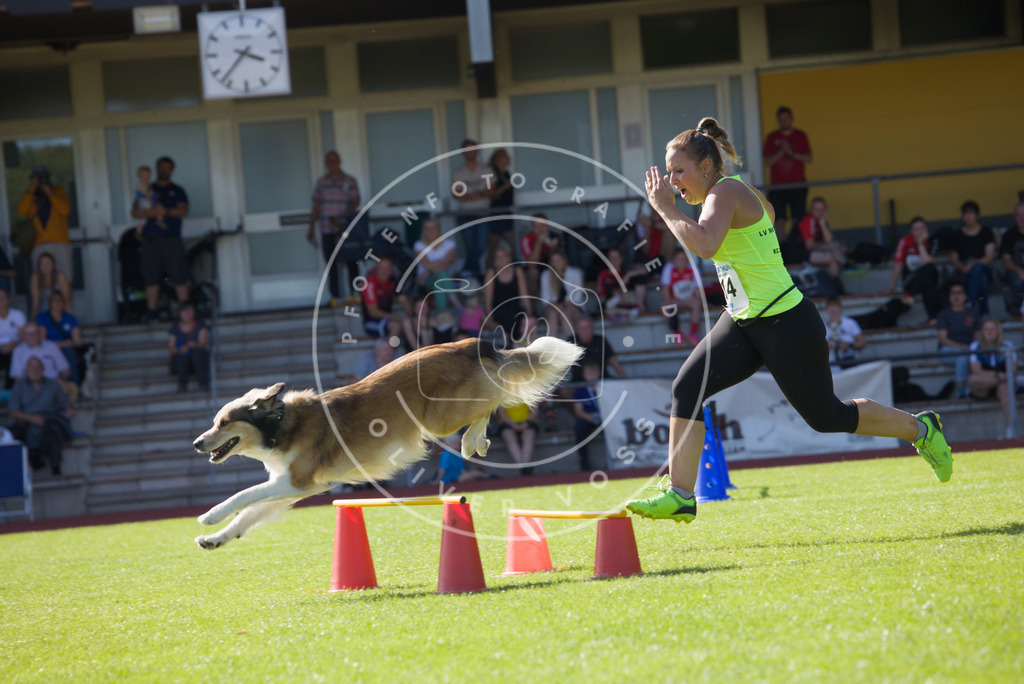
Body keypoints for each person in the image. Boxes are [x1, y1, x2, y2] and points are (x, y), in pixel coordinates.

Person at [626, 117, 953, 525]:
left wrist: (664, 208)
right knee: (687, 387)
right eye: (669, 172)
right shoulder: (733, 191)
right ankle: (680, 495)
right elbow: (768, 212)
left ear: (706, 168)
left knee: (827, 418)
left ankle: (922, 429)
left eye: (679, 171)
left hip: (787, 322)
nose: (672, 181)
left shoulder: (724, 192)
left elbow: (706, 246)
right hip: (745, 320)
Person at [130, 156, 190, 321]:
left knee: (179, 276)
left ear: (172, 170)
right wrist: (152, 213)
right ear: (156, 169)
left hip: (172, 239)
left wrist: (165, 212)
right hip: (151, 240)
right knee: (151, 276)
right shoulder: (147, 189)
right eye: (162, 167)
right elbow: (134, 212)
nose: (165, 171)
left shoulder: (178, 190)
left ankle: (184, 312)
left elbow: (184, 211)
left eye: (168, 168)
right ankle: (152, 311)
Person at [307, 151, 362, 308]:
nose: (332, 164)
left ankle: (354, 294)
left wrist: (344, 216)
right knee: (331, 263)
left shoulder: (349, 180)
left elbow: (356, 200)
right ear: (326, 164)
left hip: (345, 229)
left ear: (339, 162)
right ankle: (335, 297)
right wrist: (311, 227)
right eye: (329, 161)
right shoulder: (321, 182)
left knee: (352, 261)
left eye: (334, 161)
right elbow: (316, 206)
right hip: (326, 229)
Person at [9, 357, 75, 475]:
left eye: (38, 367)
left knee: (53, 432)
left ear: (43, 369)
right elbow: (13, 411)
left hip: (47, 419)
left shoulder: (52, 385)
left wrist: (69, 409)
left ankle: (55, 468)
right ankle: (23, 467)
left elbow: (65, 402)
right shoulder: (19, 386)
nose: (35, 370)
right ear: (26, 370)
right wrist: (31, 418)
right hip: (26, 420)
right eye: (31, 367)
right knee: (12, 434)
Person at [16, 164, 74, 282]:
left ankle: (65, 300)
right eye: (38, 178)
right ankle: (42, 301)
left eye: (43, 177)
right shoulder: (30, 194)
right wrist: (32, 188)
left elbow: (65, 210)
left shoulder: (58, 190)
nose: (41, 180)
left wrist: (50, 193)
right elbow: (21, 210)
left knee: (64, 278)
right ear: (33, 179)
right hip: (38, 243)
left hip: (60, 242)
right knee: (41, 280)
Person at [762, 106, 812, 235]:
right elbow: (767, 162)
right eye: (781, 119)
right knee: (779, 221)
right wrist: (782, 151)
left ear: (792, 119)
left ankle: (797, 248)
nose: (784, 121)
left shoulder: (800, 135)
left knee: (798, 220)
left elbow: (809, 158)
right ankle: (782, 251)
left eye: (786, 118)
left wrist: (791, 153)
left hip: (798, 184)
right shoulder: (772, 137)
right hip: (777, 187)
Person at [883, 216, 941, 324]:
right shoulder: (904, 241)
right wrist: (891, 288)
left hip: (928, 279)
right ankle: (932, 317)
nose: (920, 232)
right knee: (927, 283)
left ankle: (910, 295)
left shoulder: (933, 240)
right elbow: (898, 266)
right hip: (911, 280)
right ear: (910, 231)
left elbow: (927, 262)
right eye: (916, 229)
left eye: (922, 228)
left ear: (927, 229)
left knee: (929, 271)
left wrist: (920, 243)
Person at [967, 319, 1016, 439]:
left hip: (1001, 387)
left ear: (998, 331)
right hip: (983, 387)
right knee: (972, 379)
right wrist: (999, 376)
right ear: (982, 332)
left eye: (992, 329)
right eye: (986, 329)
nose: (990, 332)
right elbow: (977, 371)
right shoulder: (975, 346)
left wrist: (1000, 378)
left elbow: (1013, 371)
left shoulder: (1007, 345)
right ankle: (999, 382)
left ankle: (1011, 429)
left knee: (1004, 387)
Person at [948, 200, 997, 317]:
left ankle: (970, 302)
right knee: (982, 279)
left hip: (984, 267)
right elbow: (954, 259)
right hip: (964, 271)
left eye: (971, 213)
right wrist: (963, 267)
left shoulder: (986, 232)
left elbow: (989, 256)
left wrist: (973, 264)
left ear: (977, 215)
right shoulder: (957, 234)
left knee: (978, 269)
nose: (968, 216)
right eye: (965, 213)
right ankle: (984, 311)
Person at [451, 139, 491, 279]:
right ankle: (476, 273)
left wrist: (479, 194)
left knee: (480, 246)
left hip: (483, 214)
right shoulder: (458, 172)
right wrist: (471, 196)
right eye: (467, 150)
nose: (470, 152)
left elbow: (491, 189)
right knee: (469, 247)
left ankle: (467, 270)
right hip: (465, 214)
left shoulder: (486, 169)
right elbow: (456, 193)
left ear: (477, 150)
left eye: (472, 149)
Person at [936, 284, 981, 399]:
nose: (956, 296)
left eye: (959, 292)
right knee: (963, 355)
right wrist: (962, 347)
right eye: (953, 293)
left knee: (964, 356)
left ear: (965, 296)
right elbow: (943, 339)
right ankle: (962, 389)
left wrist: (970, 348)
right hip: (947, 350)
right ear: (949, 297)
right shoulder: (943, 314)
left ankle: (965, 390)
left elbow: (977, 336)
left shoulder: (973, 313)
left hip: (968, 350)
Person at [361, 256, 416, 350]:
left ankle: (417, 350)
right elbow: (373, 312)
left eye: (387, 268)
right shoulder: (370, 284)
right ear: (376, 269)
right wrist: (396, 317)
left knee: (407, 321)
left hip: (387, 320)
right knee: (397, 326)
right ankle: (389, 357)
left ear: (391, 270)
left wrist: (413, 317)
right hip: (372, 322)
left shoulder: (392, 281)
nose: (384, 271)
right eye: (381, 268)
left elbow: (403, 298)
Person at [483, 245, 533, 347]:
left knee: (514, 310)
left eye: (503, 256)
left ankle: (507, 339)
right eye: (497, 257)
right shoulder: (491, 272)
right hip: (498, 310)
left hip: (515, 308)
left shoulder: (518, 271)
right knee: (509, 312)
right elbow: (488, 299)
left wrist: (530, 313)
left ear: (509, 257)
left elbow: (524, 295)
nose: (500, 259)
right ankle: (513, 343)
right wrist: (490, 318)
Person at [413, 218, 459, 313]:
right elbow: (428, 265)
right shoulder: (419, 245)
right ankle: (458, 306)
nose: (431, 231)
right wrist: (444, 261)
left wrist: (429, 270)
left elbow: (443, 266)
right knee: (441, 274)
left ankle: (442, 314)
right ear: (423, 231)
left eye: (433, 227)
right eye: (427, 228)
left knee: (439, 284)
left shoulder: (449, 244)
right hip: (427, 280)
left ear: (439, 228)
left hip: (437, 277)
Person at [660, 248, 704, 347]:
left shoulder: (693, 268)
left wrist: (698, 297)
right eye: (679, 259)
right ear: (674, 260)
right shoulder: (669, 268)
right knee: (664, 305)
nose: (681, 262)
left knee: (697, 303)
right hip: (674, 299)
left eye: (684, 259)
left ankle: (693, 333)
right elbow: (665, 287)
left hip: (688, 299)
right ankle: (677, 333)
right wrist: (669, 300)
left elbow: (698, 289)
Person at [36, 291, 82, 384]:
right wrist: (63, 344)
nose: (58, 302)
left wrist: (65, 344)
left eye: (60, 300)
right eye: (54, 300)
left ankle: (73, 386)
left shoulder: (70, 318)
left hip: (66, 348)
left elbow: (78, 341)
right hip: (48, 348)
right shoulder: (42, 317)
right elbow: (42, 340)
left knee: (69, 351)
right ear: (50, 303)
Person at [538, 250, 585, 340]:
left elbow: (578, 296)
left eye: (559, 260)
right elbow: (545, 298)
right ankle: (551, 347)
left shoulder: (575, 273)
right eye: (554, 261)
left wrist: (564, 306)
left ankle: (573, 346)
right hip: (553, 307)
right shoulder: (546, 275)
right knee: (553, 313)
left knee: (565, 313)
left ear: (564, 260)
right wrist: (557, 307)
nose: (557, 263)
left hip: (572, 306)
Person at [796, 197, 846, 280]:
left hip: (813, 252)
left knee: (834, 249)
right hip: (800, 254)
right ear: (811, 210)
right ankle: (845, 266)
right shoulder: (808, 220)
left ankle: (835, 285)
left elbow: (828, 240)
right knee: (832, 255)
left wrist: (822, 223)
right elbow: (809, 246)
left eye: (822, 209)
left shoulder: (820, 222)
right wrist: (825, 245)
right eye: (816, 209)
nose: (820, 212)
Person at [167, 301, 210, 393]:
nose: (186, 314)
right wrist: (181, 349)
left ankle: (203, 382)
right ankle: (182, 383)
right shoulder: (175, 327)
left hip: (197, 358)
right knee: (181, 357)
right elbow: (171, 348)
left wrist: (192, 345)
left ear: (194, 312)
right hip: (182, 359)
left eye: (189, 311)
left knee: (197, 352)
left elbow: (203, 343)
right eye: (183, 311)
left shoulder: (200, 325)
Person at [596, 247, 648, 319]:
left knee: (633, 294)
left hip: (630, 301)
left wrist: (629, 275)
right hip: (614, 304)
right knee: (609, 309)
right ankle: (629, 313)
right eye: (611, 258)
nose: (614, 260)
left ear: (621, 259)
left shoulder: (626, 271)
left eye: (616, 258)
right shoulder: (603, 275)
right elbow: (602, 298)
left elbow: (645, 271)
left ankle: (636, 310)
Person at [572, 315, 626, 381]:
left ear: (592, 328)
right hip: (578, 384)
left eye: (587, 327)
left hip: (603, 381)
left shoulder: (600, 340)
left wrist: (626, 381)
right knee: (564, 391)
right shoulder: (571, 342)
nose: (585, 331)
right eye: (581, 328)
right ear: (576, 330)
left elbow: (614, 363)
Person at [485, 148, 515, 268]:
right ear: (498, 159)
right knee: (493, 249)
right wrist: (505, 186)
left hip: (507, 214)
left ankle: (514, 273)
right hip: (496, 215)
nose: (508, 159)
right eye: (505, 156)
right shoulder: (491, 173)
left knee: (513, 247)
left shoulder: (507, 173)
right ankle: (488, 275)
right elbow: (490, 194)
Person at [519, 213, 560, 297]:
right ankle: (533, 308)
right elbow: (531, 265)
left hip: (551, 265)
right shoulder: (527, 238)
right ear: (532, 228)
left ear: (547, 226)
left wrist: (553, 249)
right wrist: (539, 243)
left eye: (543, 225)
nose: (540, 229)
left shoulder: (555, 236)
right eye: (536, 226)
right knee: (532, 273)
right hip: (536, 267)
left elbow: (561, 261)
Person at [572, 360, 603, 471]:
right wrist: (590, 418)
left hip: (605, 417)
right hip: (589, 417)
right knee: (580, 426)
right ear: (584, 375)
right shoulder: (580, 389)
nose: (591, 376)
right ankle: (584, 460)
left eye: (594, 373)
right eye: (589, 374)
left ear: (599, 373)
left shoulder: (605, 387)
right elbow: (578, 411)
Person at [494, 402, 539, 476]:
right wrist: (514, 425)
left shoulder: (528, 391)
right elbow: (502, 413)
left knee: (529, 435)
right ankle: (523, 466)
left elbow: (535, 410)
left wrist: (526, 423)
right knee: (508, 435)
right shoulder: (502, 393)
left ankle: (525, 464)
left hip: (527, 423)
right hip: (508, 424)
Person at [28, 251, 73, 321]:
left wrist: (70, 319)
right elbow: (35, 302)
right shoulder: (35, 278)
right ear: (39, 266)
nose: (45, 266)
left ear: (53, 265)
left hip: (60, 311)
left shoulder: (61, 276)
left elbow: (66, 300)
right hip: (44, 312)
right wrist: (33, 320)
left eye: (48, 263)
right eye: (42, 264)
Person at [823, 297, 866, 369]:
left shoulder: (850, 323)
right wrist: (825, 346)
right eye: (830, 306)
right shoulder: (822, 326)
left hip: (850, 361)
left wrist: (849, 345)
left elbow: (863, 342)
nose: (833, 309)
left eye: (835, 306)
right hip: (831, 364)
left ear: (840, 308)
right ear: (826, 309)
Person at [998, 202, 1024, 313]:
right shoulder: (1009, 235)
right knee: (1016, 282)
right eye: (1019, 215)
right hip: (1015, 271)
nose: (1022, 218)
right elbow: (1006, 258)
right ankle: (1019, 313)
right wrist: (1019, 271)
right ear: (1015, 217)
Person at [0, 288, 26, 387]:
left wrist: (12, 345)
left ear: (8, 299)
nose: (0, 300)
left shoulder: (17, 315)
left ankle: (9, 389)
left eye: (3, 297)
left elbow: (23, 337)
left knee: (14, 355)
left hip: (14, 347)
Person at [133, 165, 161, 237]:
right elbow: (138, 194)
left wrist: (154, 195)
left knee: (157, 210)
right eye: (144, 176)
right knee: (145, 217)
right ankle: (139, 231)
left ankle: (158, 221)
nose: (147, 178)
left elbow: (151, 193)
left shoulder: (149, 184)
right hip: (143, 203)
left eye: (148, 177)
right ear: (139, 177)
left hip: (149, 202)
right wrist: (146, 196)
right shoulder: (140, 185)